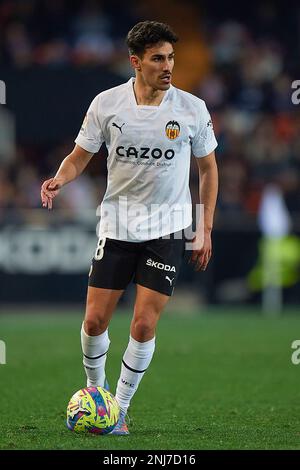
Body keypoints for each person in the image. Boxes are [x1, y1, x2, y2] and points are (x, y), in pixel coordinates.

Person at [40, 20, 218, 435]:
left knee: (142, 325)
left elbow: (208, 169)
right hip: (117, 225)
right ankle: (94, 394)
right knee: (94, 322)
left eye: (171, 57)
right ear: (136, 62)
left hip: (168, 229)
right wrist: (60, 179)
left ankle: (117, 410)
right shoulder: (107, 104)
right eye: (158, 58)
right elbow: (80, 155)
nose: (168, 65)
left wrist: (204, 227)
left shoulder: (192, 108)